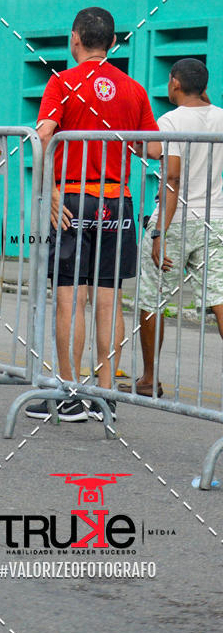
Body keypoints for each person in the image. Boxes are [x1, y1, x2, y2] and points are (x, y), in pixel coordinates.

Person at [26, 6, 161, 423]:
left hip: (72, 202)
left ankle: (68, 394)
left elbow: (43, 138)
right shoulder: (133, 89)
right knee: (108, 301)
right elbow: (152, 149)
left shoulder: (62, 83)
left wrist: (46, 192)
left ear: (75, 38)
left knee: (70, 298)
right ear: (110, 41)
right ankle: (106, 394)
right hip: (117, 203)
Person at [120, 59, 223, 398]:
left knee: (152, 298)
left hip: (177, 220)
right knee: (220, 297)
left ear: (176, 83)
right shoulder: (221, 116)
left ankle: (149, 378)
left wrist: (158, 232)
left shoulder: (170, 120)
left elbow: (173, 177)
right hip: (216, 218)